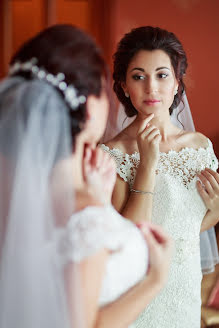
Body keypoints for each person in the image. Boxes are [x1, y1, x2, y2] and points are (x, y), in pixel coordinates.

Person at [0, 24, 173, 328]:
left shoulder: (15, 198)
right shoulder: (86, 216)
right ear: (90, 106)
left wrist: (99, 198)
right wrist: (155, 280)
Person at [101, 26, 219, 328]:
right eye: (139, 76)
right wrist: (147, 164)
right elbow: (128, 235)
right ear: (124, 86)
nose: (151, 87)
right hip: (138, 293)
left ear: (177, 83)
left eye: (162, 75)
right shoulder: (112, 154)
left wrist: (216, 212)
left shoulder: (200, 146)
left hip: (185, 289)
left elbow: (183, 226)